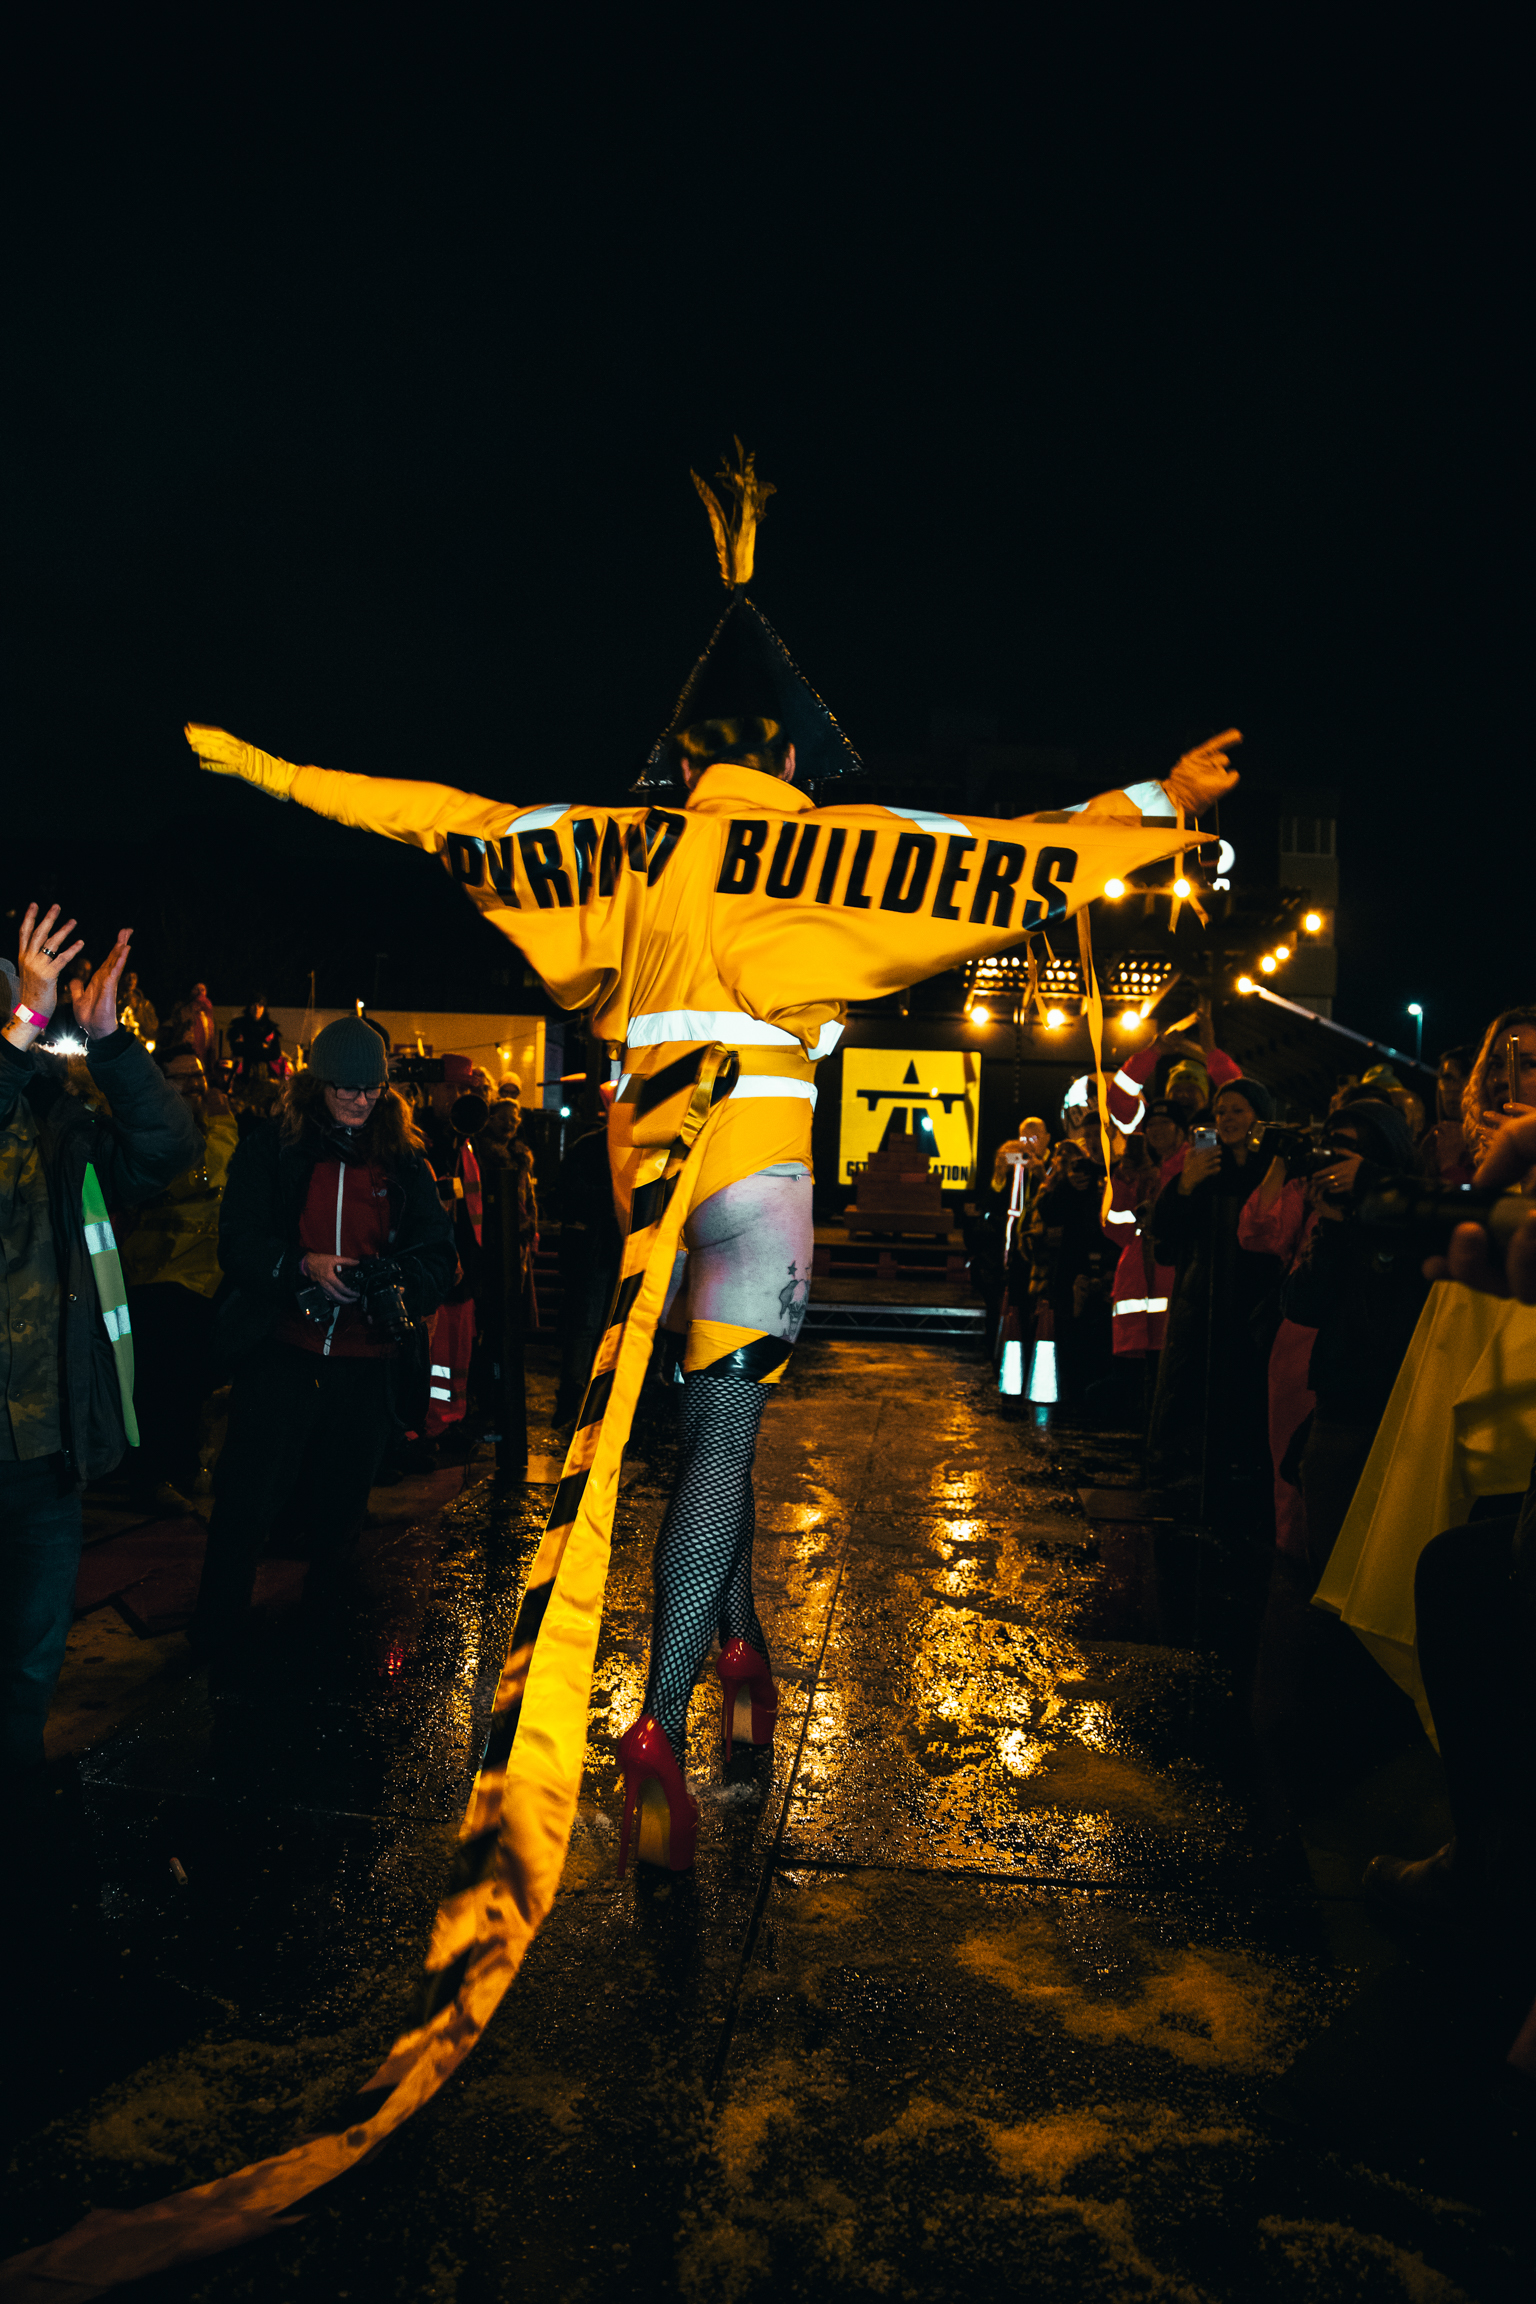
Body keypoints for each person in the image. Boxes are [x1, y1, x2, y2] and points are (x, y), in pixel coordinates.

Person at [186, 449, 1241, 1886]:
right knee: (728, 1426)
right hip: (751, 1162)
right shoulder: (825, 846)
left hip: (643, 1162)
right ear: (794, 761)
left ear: (682, 760)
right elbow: (1011, 853)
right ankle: (663, 1715)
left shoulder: (622, 847)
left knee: (696, 1420)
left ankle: (737, 1648)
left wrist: (274, 770)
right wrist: (1155, 801)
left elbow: (440, 810)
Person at [191, 1014, 455, 1666]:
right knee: (246, 1506)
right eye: (347, 1088)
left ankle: (322, 1648)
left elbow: (440, 1257)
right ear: (318, 1085)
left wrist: (397, 1280)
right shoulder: (270, 1150)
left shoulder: (402, 1161)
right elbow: (238, 1244)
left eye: (372, 1090)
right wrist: (299, 1267)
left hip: (365, 1366)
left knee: (342, 1514)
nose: (361, 1100)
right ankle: (214, 1643)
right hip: (282, 1351)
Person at [1, 906, 200, 1769]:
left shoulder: (60, 1120)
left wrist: (112, 1042)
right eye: (18, 1004)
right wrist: (23, 1024)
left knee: (32, 1661)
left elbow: (165, 1153)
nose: (33, 1016)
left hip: (48, 1456)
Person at [1281, 1099, 1428, 1576]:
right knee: (1330, 1563)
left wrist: (1368, 1207)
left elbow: (1393, 1304)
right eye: (1330, 1150)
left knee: (1387, 1566)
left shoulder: (1413, 1216)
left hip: (1397, 1411)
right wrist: (1333, 1228)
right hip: (1338, 1408)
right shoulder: (1335, 1220)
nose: (1334, 1165)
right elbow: (1303, 1305)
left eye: (1348, 1154)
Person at [118, 1044, 240, 1513]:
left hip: (200, 1281)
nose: (195, 1087)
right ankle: (152, 1479)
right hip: (159, 1278)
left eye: (199, 1078)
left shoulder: (201, 1126)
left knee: (188, 1386)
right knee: (159, 1388)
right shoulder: (156, 1128)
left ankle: (179, 1472)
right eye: (182, 1078)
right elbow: (200, 1175)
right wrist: (226, 1126)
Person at [1148, 1074, 1280, 1501]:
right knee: (1195, 1387)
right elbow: (1164, 1235)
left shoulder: (1274, 1167)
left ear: (1259, 1117)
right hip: (1202, 1297)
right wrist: (1185, 1185)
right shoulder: (1202, 1166)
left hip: (1257, 1297)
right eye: (1221, 1111)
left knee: (1248, 1387)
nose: (1227, 1119)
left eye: (1238, 1110)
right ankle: (1191, 1475)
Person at [227, 997, 283, 1081]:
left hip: (263, 1077)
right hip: (242, 1077)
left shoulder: (270, 1028)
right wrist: (260, 1046)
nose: (257, 1009)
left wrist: (247, 1047)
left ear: (264, 1008)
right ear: (249, 1007)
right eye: (253, 1005)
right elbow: (236, 1049)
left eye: (260, 1005)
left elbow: (275, 1053)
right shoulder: (239, 1026)